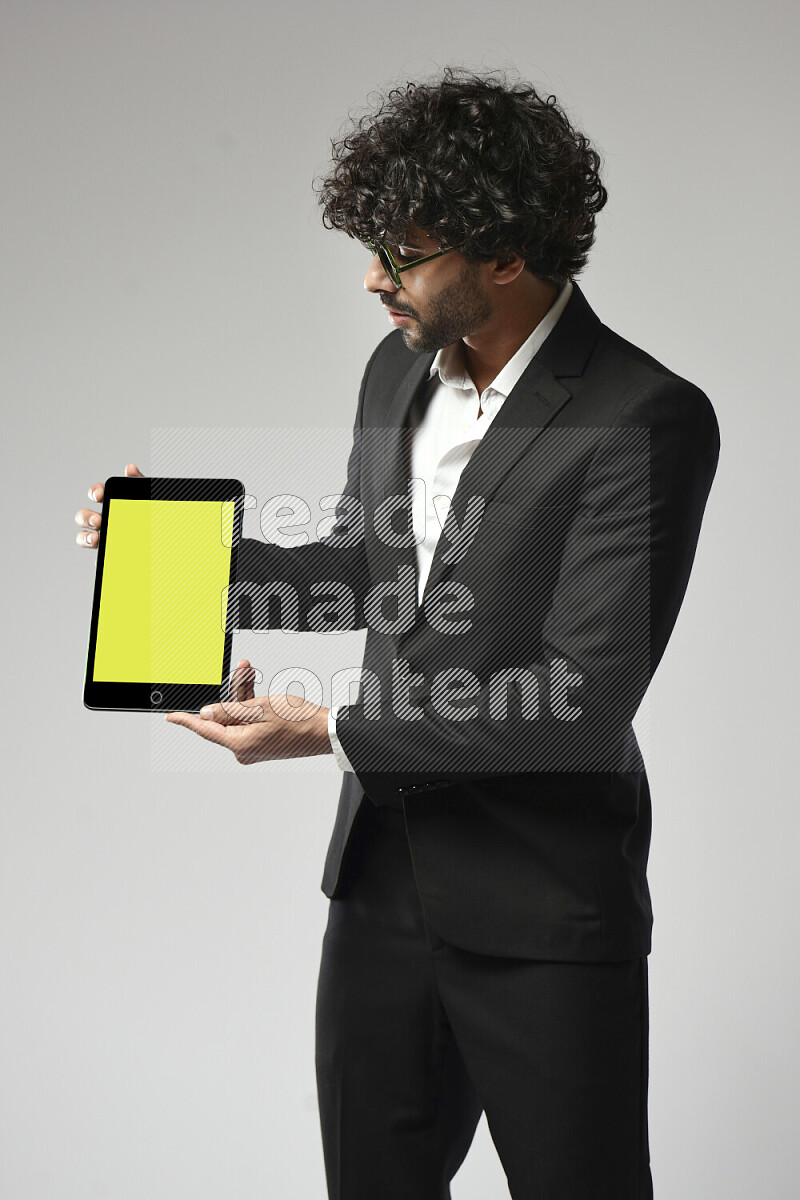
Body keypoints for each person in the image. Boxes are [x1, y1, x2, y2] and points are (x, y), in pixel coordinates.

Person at [75, 67, 720, 1199]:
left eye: (404, 254)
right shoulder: (395, 368)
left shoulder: (643, 416)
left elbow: (578, 698)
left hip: (541, 911)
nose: (373, 280)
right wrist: (183, 565)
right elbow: (365, 578)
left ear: (506, 256)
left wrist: (330, 727)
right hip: (379, 892)